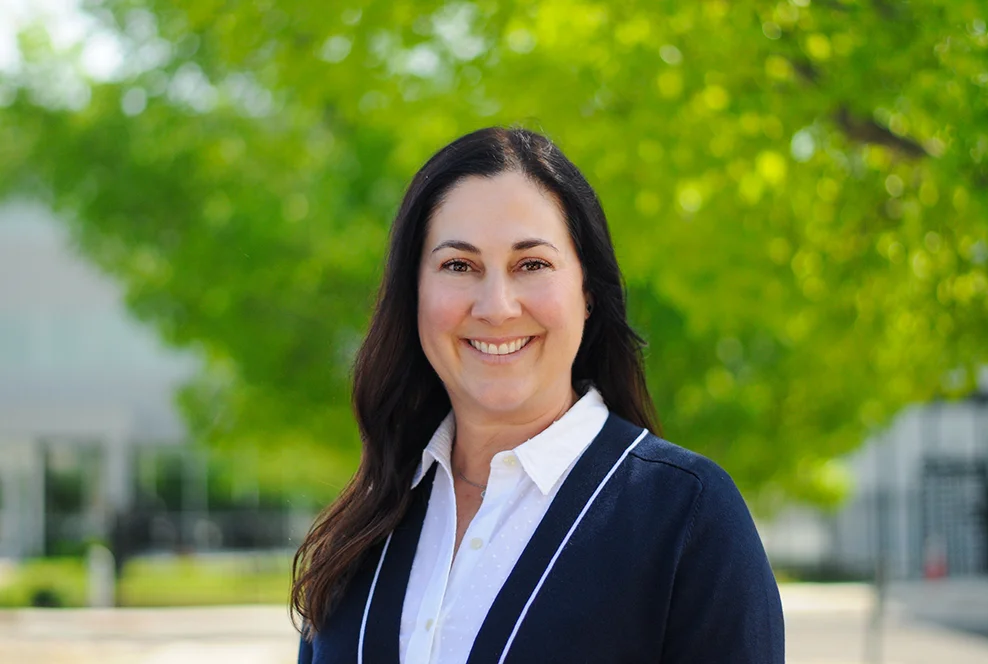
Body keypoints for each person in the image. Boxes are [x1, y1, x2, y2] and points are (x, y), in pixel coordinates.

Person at [292, 127, 784, 663]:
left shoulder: (686, 516)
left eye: (532, 265)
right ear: (414, 293)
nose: (496, 306)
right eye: (459, 265)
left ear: (588, 291)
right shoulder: (364, 526)